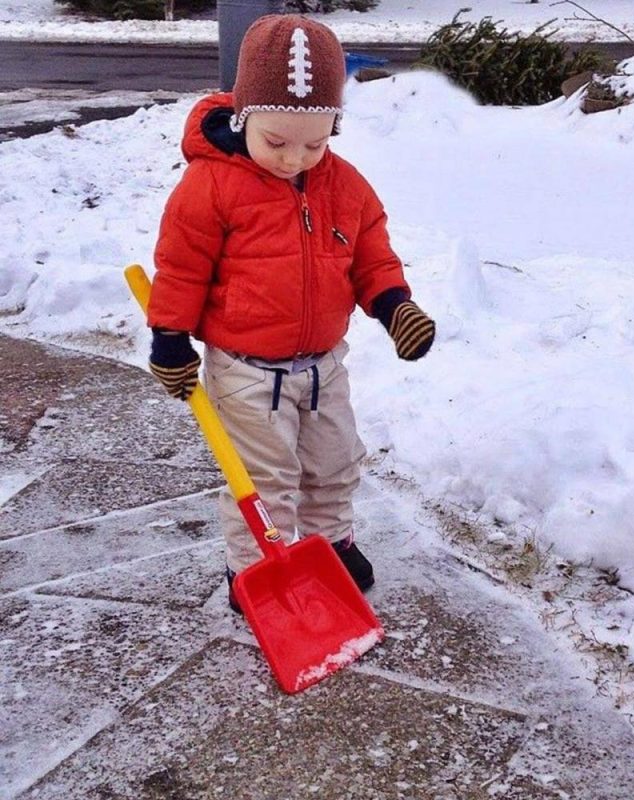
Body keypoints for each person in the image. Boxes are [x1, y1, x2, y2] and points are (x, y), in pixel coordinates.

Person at [145, 14, 435, 613]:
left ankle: (331, 544)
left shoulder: (344, 184)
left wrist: (393, 305)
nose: (294, 159)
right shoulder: (211, 186)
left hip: (324, 365)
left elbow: (371, 253)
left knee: (334, 464)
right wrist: (170, 339)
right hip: (246, 372)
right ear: (244, 117)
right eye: (276, 142)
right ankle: (255, 569)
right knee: (264, 480)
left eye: (315, 142)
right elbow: (180, 268)